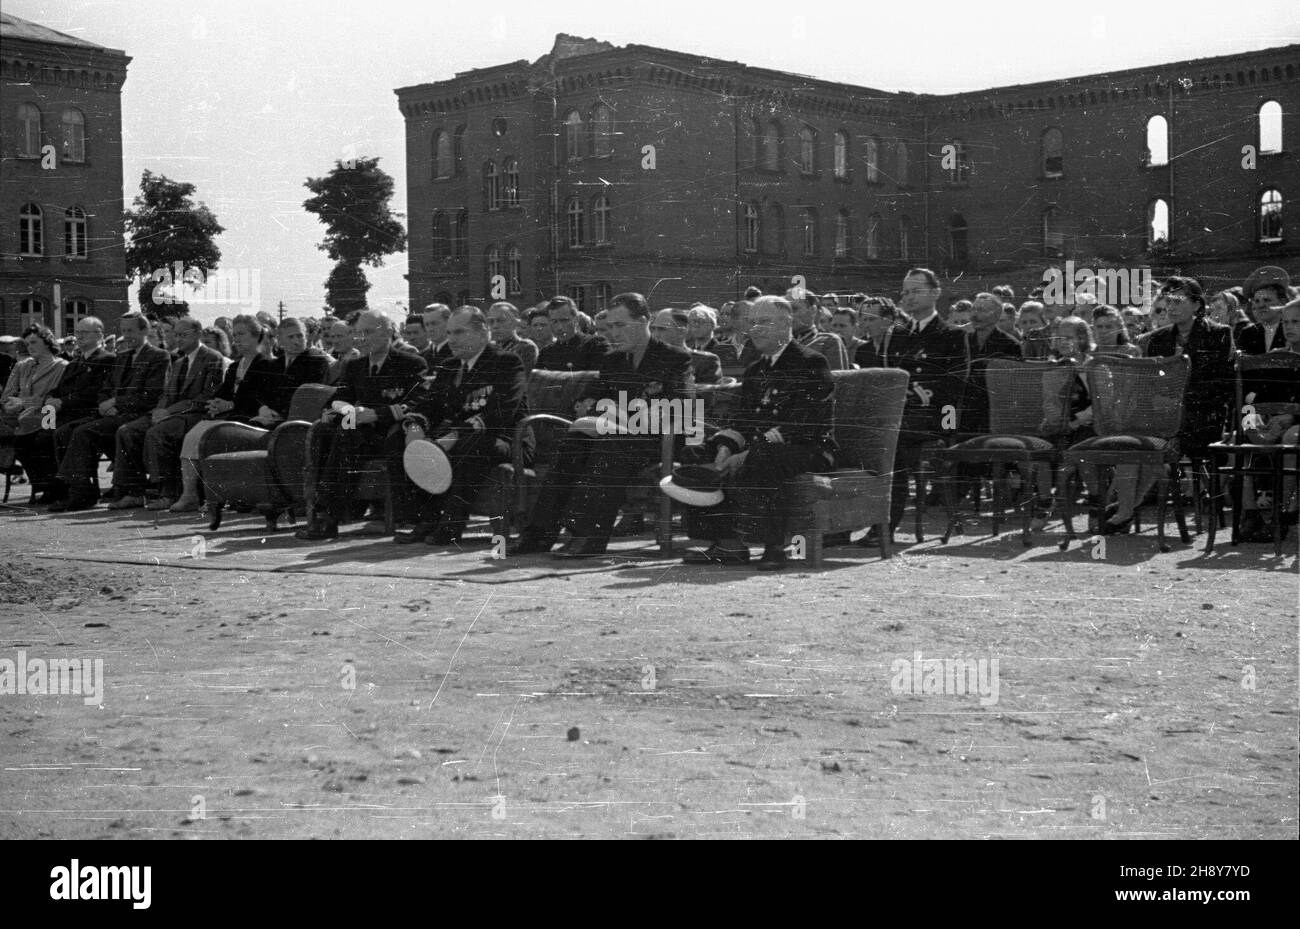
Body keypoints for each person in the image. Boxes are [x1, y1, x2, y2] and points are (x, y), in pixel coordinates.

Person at [509, 292, 691, 557]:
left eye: (621, 325)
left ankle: (588, 537)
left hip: (661, 440)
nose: (614, 333)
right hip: (618, 436)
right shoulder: (612, 360)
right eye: (610, 326)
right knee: (575, 442)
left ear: (643, 321)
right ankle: (539, 535)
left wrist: (619, 416)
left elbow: (681, 407)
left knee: (610, 445)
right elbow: (590, 398)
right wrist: (596, 412)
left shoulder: (674, 358)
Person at [679, 295, 836, 571]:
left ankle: (774, 546)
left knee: (764, 456)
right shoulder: (756, 369)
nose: (756, 329)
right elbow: (744, 421)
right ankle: (726, 544)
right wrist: (726, 447)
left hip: (809, 448)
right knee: (695, 451)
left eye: (764, 321)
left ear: (787, 323)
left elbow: (804, 423)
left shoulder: (810, 361)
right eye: (752, 323)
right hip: (765, 448)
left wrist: (748, 453)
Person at [393, 307, 529, 545]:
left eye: (459, 332)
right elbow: (430, 404)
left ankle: (451, 525)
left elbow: (502, 410)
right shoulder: (449, 365)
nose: (452, 339)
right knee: (401, 438)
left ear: (482, 333)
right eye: (449, 333)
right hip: (461, 438)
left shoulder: (505, 361)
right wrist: (414, 426)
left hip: (506, 439)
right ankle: (424, 520)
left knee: (468, 444)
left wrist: (456, 435)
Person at [294, 311, 428, 540]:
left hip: (394, 432)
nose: (361, 338)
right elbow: (338, 400)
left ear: (387, 332)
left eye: (368, 332)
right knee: (335, 432)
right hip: (360, 433)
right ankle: (326, 515)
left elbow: (418, 402)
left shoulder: (410, 363)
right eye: (357, 333)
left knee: (348, 435)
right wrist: (349, 412)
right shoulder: (355, 366)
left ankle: (329, 517)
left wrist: (377, 414)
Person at [49, 312, 170, 511]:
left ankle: (82, 493)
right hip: (113, 413)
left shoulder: (158, 356)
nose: (127, 335)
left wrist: (116, 403)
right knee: (64, 431)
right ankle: (77, 488)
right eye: (123, 331)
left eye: (130, 330)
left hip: (139, 414)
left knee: (84, 432)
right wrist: (105, 404)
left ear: (145, 330)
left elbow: (151, 394)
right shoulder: (122, 358)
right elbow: (106, 388)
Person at [109, 317, 225, 511]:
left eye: (184, 335)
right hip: (172, 414)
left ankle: (168, 493)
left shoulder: (212, 358)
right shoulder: (179, 362)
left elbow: (206, 396)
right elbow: (166, 394)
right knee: (127, 430)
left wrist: (168, 411)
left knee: (158, 433)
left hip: (196, 415)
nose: (179, 339)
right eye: (176, 335)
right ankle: (134, 492)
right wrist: (159, 410)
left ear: (197, 334)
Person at [886, 268, 969, 536]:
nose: (908, 297)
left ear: (935, 293)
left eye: (916, 291)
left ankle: (886, 524)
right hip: (901, 415)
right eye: (905, 292)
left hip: (935, 418)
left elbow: (954, 386)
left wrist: (918, 395)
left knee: (889, 439)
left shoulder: (952, 335)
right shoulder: (898, 334)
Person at [170, 314, 280, 513]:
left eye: (242, 334)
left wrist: (229, 405)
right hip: (231, 417)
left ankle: (198, 495)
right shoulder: (236, 366)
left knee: (201, 434)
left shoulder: (267, 364)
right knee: (196, 433)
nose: (237, 339)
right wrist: (216, 403)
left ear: (256, 336)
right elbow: (222, 392)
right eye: (234, 335)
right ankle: (191, 494)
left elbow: (260, 399)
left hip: (250, 420)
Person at [14, 317, 115, 505]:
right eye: (77, 332)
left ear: (99, 335)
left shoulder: (107, 359)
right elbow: (59, 388)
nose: (79, 337)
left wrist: (61, 401)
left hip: (84, 413)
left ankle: (66, 488)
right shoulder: (75, 363)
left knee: (50, 435)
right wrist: (52, 398)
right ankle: (48, 486)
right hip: (59, 412)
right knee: (26, 437)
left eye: (85, 333)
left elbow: (94, 392)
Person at [1143, 276, 1234, 462]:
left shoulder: (1218, 334)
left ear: (1196, 305)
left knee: (1179, 437)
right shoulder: (1158, 339)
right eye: (1168, 301)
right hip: (1164, 416)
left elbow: (1222, 385)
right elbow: (1150, 384)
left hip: (1202, 415)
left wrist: (1179, 403)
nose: (1171, 307)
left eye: (1177, 301)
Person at [1, 325, 68, 487]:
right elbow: (6, 397)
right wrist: (12, 404)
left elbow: (55, 399)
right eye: (27, 344)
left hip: (48, 415)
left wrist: (24, 402)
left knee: (33, 441)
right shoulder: (22, 366)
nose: (30, 347)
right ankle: (38, 483)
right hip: (19, 417)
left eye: (34, 343)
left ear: (47, 342)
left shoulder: (62, 366)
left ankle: (48, 485)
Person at [263, 317, 331, 421]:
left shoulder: (317, 362)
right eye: (290, 337)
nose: (296, 341)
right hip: (268, 419)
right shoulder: (274, 365)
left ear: (306, 337)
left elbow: (310, 400)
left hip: (297, 423)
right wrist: (263, 409)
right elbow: (264, 395)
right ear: (280, 340)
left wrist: (278, 416)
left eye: (300, 336)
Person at [535, 296, 608, 371]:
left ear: (576, 319)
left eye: (564, 320)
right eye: (554, 321)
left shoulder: (594, 344)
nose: (559, 327)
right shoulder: (546, 353)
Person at [651, 309, 721, 384]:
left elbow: (708, 393)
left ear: (681, 331)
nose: (655, 334)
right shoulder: (649, 360)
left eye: (662, 329)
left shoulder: (705, 361)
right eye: (653, 329)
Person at [785, 287, 849, 369]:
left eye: (794, 309)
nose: (789, 315)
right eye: (786, 309)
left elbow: (837, 379)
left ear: (812, 310)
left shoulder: (828, 342)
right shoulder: (779, 342)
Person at [1237, 266, 1290, 354]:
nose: (1261, 305)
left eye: (1267, 300)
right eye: (1257, 301)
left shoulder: (1292, 327)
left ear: (1282, 302)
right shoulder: (1247, 333)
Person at [486, 301, 539, 371]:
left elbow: (524, 377)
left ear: (515, 322)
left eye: (501, 320)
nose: (495, 326)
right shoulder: (488, 348)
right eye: (491, 321)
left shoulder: (525, 347)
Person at [853, 297, 902, 369]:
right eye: (865, 319)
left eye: (872, 319)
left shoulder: (901, 347)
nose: (867, 325)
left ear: (888, 319)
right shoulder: (862, 350)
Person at [324, 318, 359, 385]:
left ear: (351, 336)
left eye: (340, 336)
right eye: (333, 336)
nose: (335, 341)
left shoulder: (357, 360)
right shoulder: (333, 365)